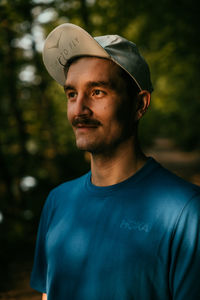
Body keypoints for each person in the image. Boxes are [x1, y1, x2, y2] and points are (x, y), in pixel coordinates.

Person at [30, 23, 200, 300]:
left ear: (139, 105)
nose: (79, 109)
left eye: (97, 91)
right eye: (72, 94)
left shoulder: (186, 212)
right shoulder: (57, 202)